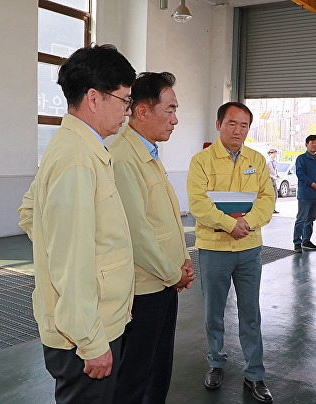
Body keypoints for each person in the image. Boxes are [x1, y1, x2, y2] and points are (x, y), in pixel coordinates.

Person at [17, 44, 136, 403]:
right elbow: (71, 261)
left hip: (92, 321)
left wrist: (56, 240)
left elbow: (30, 213)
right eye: (125, 101)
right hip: (85, 334)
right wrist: (91, 340)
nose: (127, 112)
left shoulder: (75, 146)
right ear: (95, 98)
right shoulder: (77, 160)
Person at [109, 71, 196, 404]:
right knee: (135, 377)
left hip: (164, 283)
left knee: (159, 371)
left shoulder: (150, 153)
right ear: (142, 111)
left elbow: (166, 221)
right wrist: (175, 271)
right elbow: (138, 233)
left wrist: (182, 262)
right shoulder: (123, 157)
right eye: (170, 109)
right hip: (143, 289)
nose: (175, 119)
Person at [187, 102, 275, 404]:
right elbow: (198, 204)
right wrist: (228, 224)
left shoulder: (257, 160)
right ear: (219, 124)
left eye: (244, 125)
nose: (238, 130)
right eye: (232, 124)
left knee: (251, 313)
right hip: (214, 250)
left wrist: (246, 223)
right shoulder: (201, 161)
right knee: (214, 311)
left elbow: (267, 198)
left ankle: (255, 374)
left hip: (249, 249)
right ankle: (216, 362)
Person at [293, 135, 316, 253]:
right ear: (306, 144)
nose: (315, 145)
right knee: (301, 219)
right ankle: (297, 242)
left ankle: (306, 240)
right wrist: (312, 184)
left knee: (311, 219)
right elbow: (300, 174)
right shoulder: (301, 159)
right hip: (305, 194)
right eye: (312, 143)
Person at [267, 148, 279, 214]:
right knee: (270, 195)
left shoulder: (275, 161)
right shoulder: (267, 162)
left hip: (274, 180)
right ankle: (269, 208)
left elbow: (276, 169)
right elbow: (265, 172)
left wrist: (277, 174)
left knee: (275, 195)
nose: (275, 155)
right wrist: (272, 176)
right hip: (269, 180)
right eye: (274, 153)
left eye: (275, 153)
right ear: (270, 154)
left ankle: (273, 208)